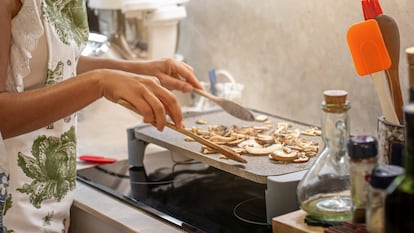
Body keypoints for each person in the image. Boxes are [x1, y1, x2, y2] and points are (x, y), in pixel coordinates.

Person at [0, 0, 203, 232]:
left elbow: (53, 65)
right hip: (12, 206)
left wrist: (133, 70)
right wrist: (100, 82)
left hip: (50, 205)